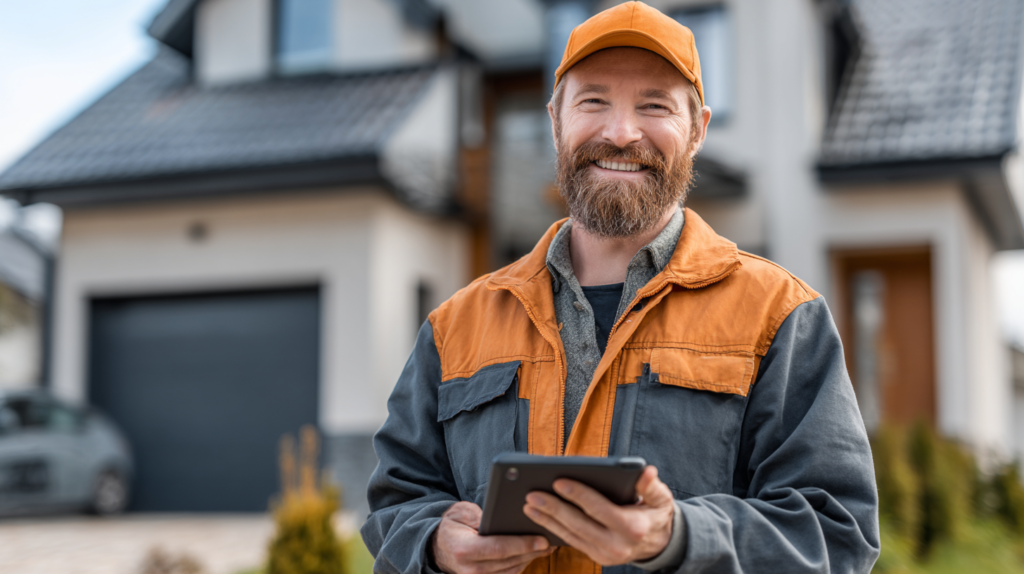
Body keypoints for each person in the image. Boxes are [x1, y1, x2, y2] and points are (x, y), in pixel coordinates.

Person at [361, 2, 880, 573]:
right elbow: (396, 505)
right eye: (594, 101)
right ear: (556, 120)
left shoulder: (782, 316)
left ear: (698, 130)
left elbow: (837, 535)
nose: (621, 132)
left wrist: (679, 539)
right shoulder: (454, 327)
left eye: (654, 106)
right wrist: (433, 545)